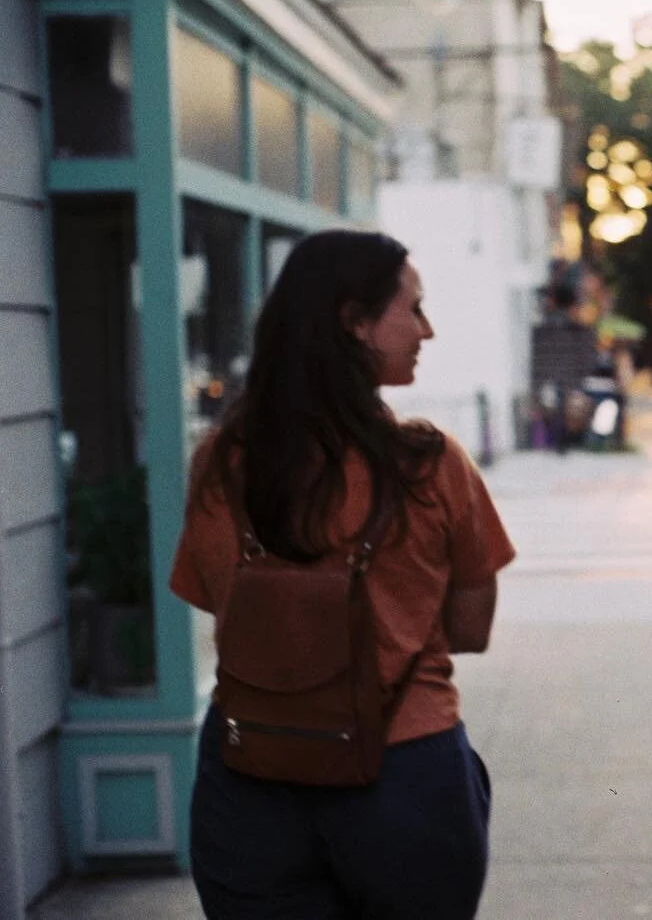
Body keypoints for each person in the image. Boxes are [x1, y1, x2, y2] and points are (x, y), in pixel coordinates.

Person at [170, 230, 516, 919]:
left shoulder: (220, 461)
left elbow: (222, 604)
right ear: (354, 322)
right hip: (403, 776)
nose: (428, 330)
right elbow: (470, 630)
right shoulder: (428, 464)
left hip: (250, 769)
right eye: (412, 310)